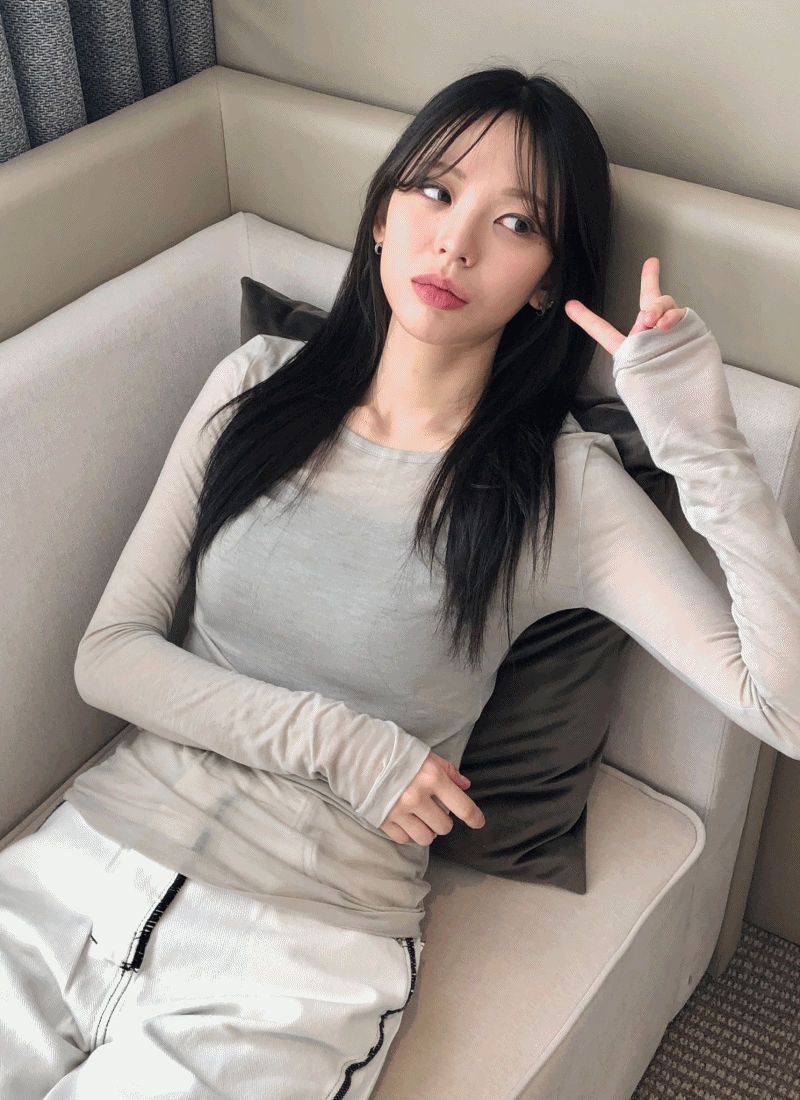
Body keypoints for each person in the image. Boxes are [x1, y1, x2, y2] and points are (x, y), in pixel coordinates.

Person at [1, 64, 800, 1100]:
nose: (455, 243)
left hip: (292, 955)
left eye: (515, 222)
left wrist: (703, 447)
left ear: (546, 283)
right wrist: (348, 745)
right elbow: (109, 656)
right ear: (382, 213)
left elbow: (783, 707)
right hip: (79, 865)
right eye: (434, 189)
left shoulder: (561, 489)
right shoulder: (254, 386)